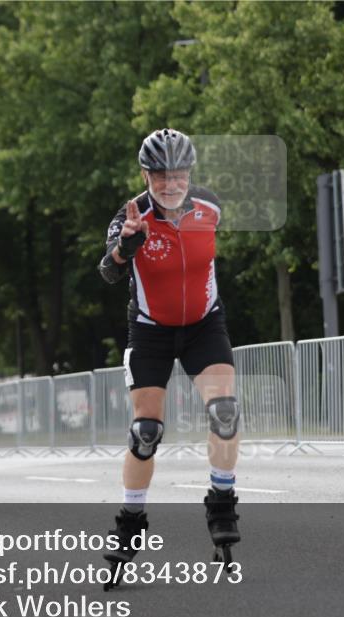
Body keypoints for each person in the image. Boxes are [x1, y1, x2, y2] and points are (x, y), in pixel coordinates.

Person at [97, 129, 241, 580]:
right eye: (160, 176)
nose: (170, 184)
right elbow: (107, 272)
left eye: (177, 175)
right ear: (146, 174)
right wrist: (126, 248)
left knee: (225, 412)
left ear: (189, 174)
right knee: (145, 431)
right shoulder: (130, 217)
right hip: (151, 331)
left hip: (204, 326)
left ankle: (221, 503)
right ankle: (131, 521)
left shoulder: (211, 208)